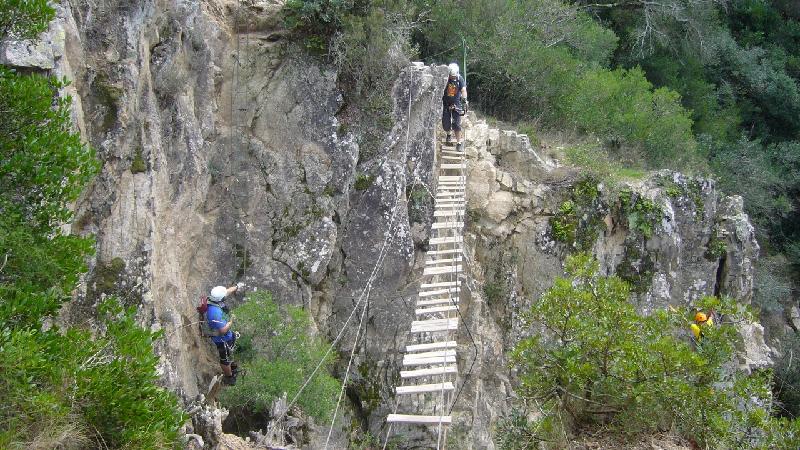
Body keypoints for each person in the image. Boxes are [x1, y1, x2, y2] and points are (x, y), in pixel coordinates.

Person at [207, 284, 242, 385]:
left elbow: (227, 292)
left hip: (227, 335)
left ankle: (232, 366)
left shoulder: (212, 298)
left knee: (230, 351)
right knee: (224, 359)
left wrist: (236, 286)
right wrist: (231, 321)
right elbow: (222, 330)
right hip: (222, 339)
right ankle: (229, 377)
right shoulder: (214, 313)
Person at [442, 62, 468, 149]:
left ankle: (459, 143)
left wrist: (464, 101)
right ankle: (448, 134)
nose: (453, 77)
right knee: (446, 124)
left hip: (456, 103)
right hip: (446, 103)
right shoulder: (445, 78)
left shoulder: (460, 79)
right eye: (451, 76)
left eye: (454, 76)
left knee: (457, 124)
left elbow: (463, 90)